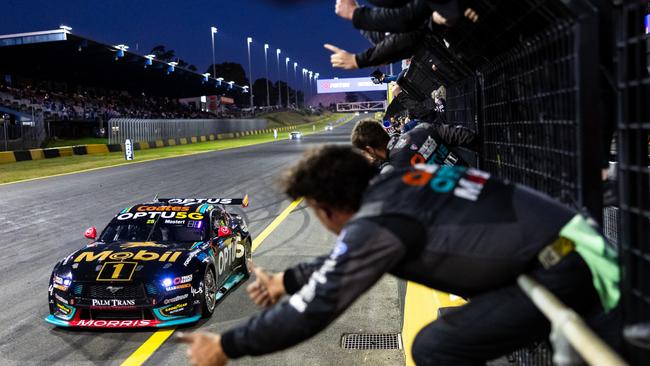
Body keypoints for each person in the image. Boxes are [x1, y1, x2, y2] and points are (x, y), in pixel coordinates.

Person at [179, 145, 620, 366]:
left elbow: (317, 308)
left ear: (328, 207)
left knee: (432, 346)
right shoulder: (396, 183)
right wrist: (288, 279)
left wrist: (226, 344)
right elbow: (345, 263)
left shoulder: (377, 222)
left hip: (568, 265)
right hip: (570, 247)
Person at [351, 118, 477, 173]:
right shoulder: (423, 129)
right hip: (478, 184)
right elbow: (467, 136)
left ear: (369, 149)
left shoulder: (394, 172)